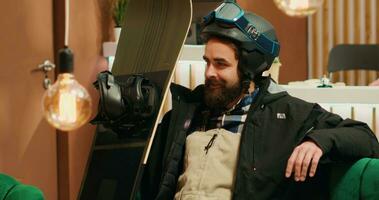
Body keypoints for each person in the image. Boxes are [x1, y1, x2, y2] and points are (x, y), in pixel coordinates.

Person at [140, 2, 379, 200]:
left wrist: (317, 141)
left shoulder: (287, 115)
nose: (209, 73)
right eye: (207, 62)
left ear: (248, 68)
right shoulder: (185, 113)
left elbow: (365, 137)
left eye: (221, 64)